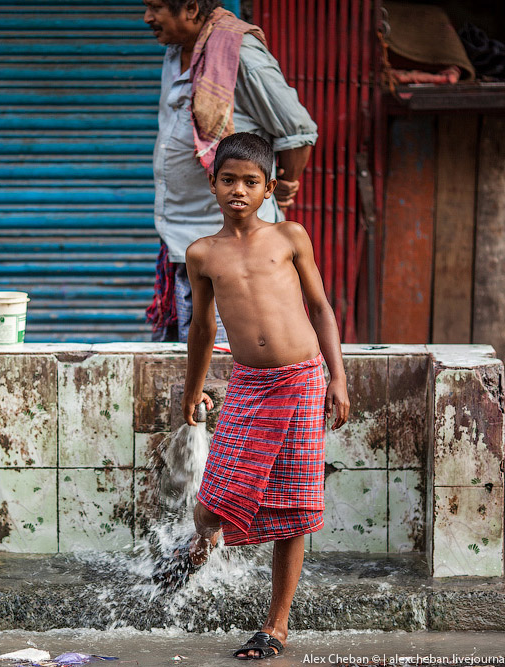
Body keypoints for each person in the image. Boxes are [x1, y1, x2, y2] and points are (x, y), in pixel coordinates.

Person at [181, 133, 349, 660]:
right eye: (228, 180)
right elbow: (203, 330)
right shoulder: (202, 254)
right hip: (250, 387)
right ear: (213, 184)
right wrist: (193, 390)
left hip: (302, 380)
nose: (238, 190)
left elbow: (321, 310)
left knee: (294, 507)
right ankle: (202, 539)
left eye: (250, 182)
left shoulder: (290, 236)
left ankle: (275, 627)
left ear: (268, 188)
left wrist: (339, 379)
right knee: (211, 506)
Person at [142, 0, 318, 344]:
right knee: (194, 351)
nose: (147, 18)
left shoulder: (240, 53)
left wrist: (285, 183)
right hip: (183, 236)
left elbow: (299, 130)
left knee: (231, 354)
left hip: (232, 246)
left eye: (156, 7)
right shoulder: (176, 50)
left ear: (191, 8)